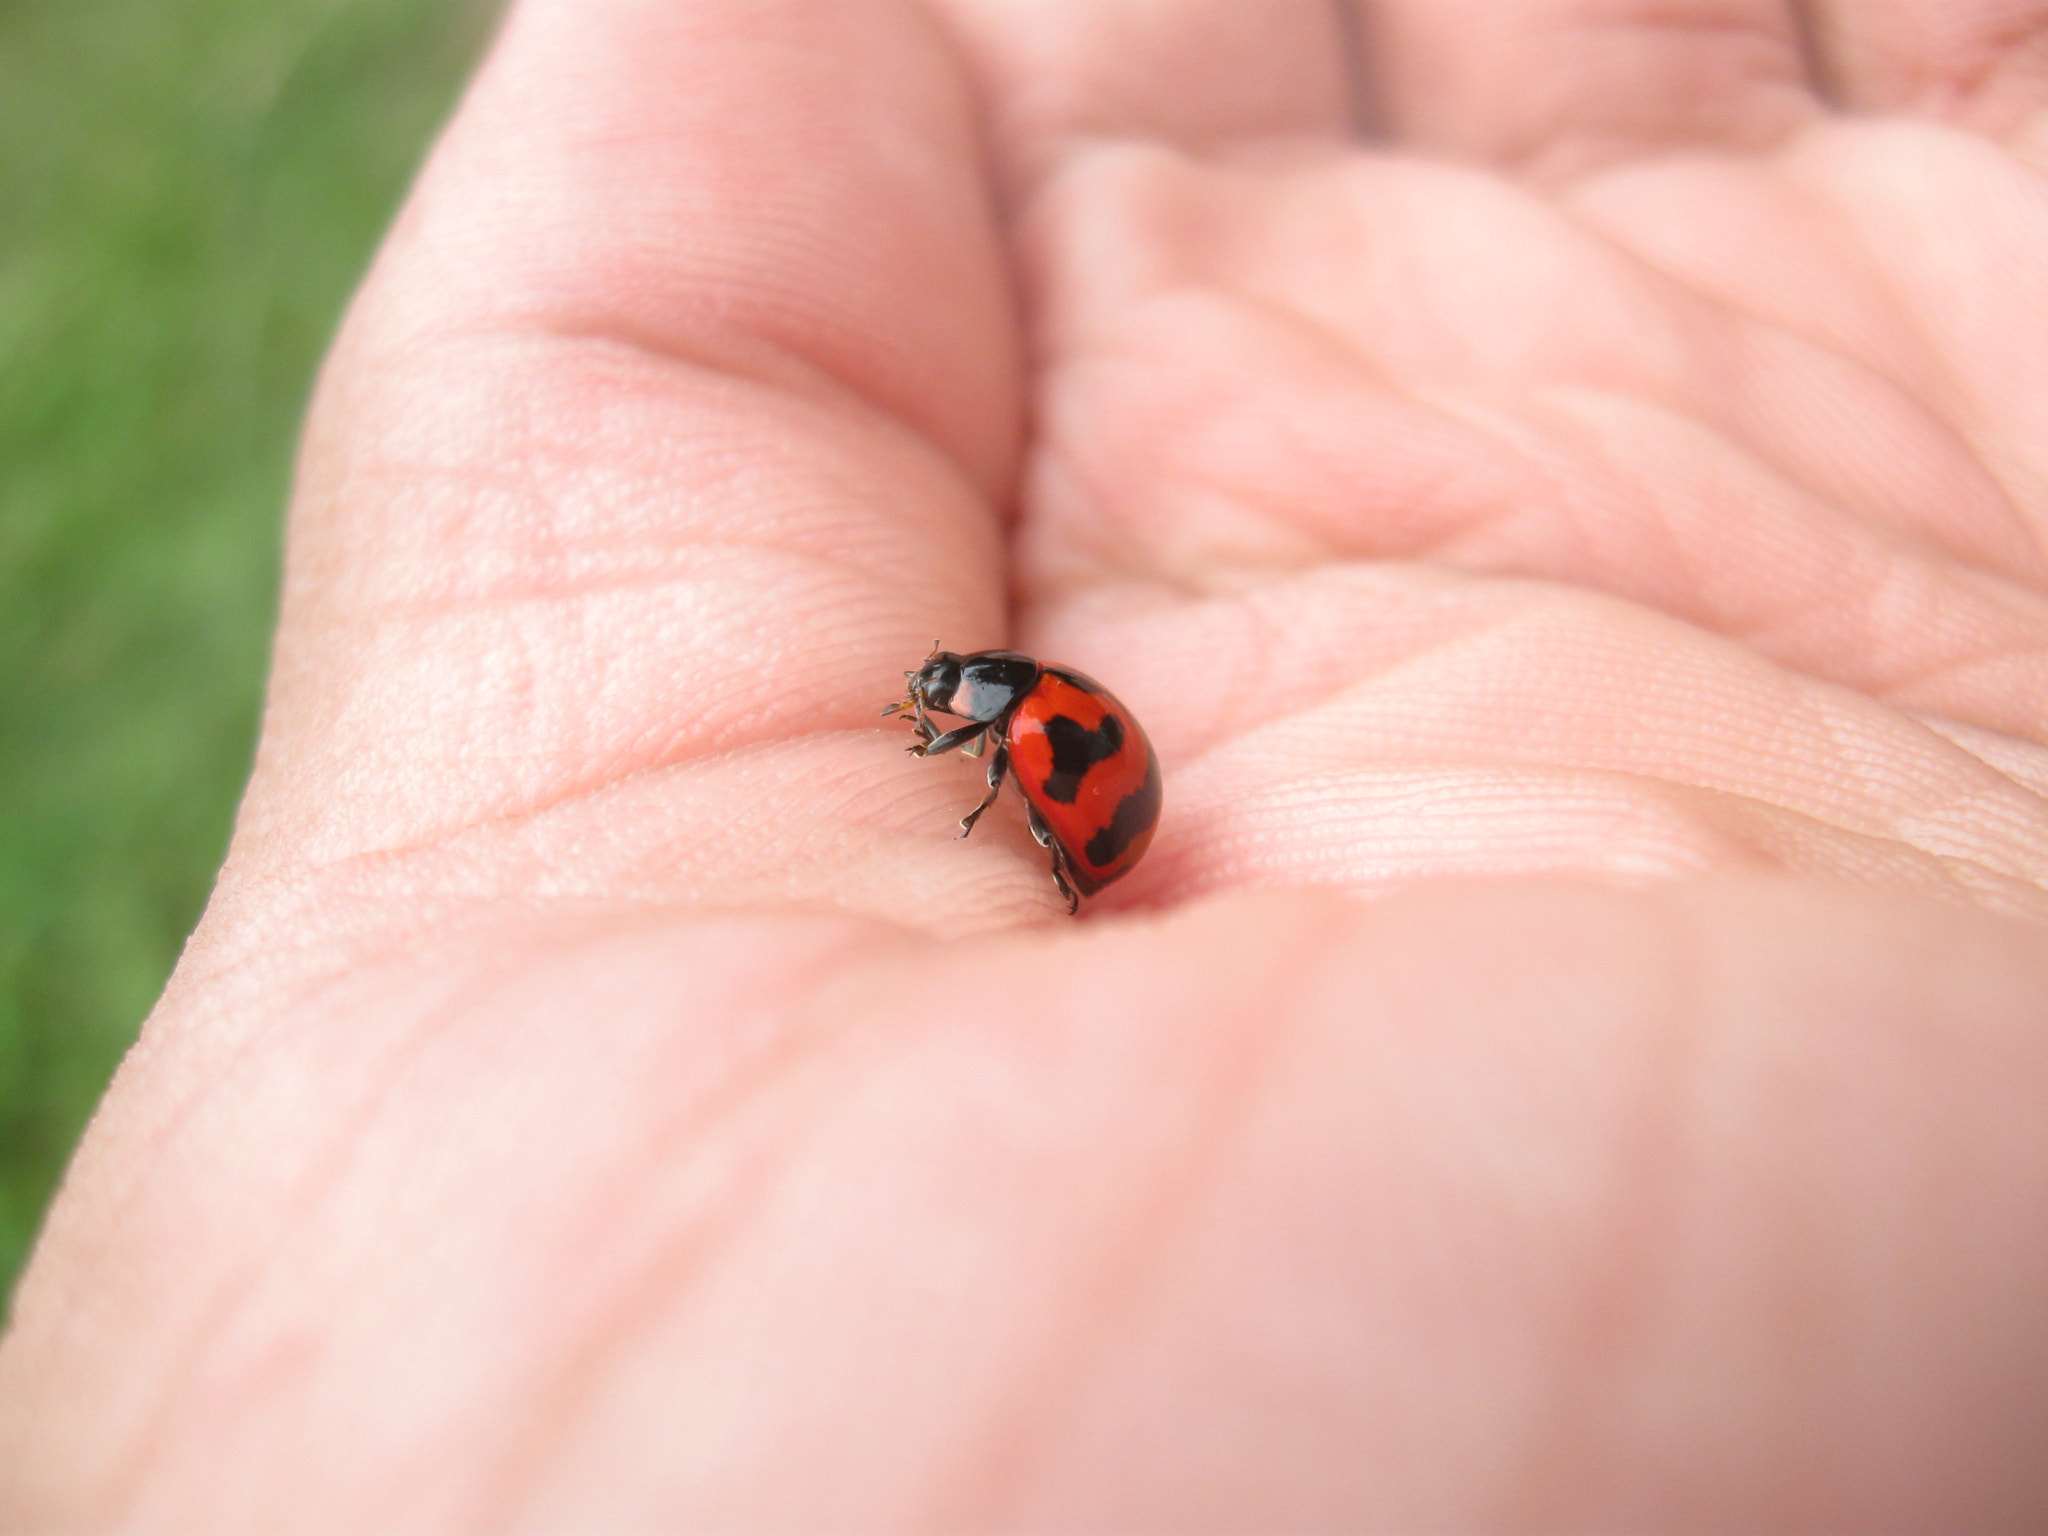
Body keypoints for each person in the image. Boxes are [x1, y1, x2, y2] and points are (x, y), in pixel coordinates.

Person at [4, 0, 2046, 1525]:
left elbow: (1030, 766)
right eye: (958, 726)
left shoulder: (1025, 736)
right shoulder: (1021, 723)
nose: (947, 736)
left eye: (953, 723)